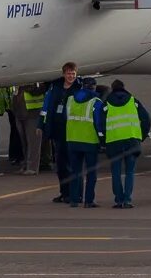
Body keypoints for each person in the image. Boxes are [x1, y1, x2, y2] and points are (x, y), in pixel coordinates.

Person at [103, 80, 151, 208]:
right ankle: (128, 200)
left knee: (116, 173)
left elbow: (100, 123)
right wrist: (141, 136)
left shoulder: (106, 103)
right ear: (124, 88)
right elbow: (147, 119)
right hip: (131, 141)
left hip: (113, 142)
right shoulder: (133, 101)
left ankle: (118, 200)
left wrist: (103, 141)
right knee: (130, 172)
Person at [40, 62, 81, 202]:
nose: (71, 76)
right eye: (69, 74)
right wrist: (41, 125)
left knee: (73, 164)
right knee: (61, 165)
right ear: (64, 74)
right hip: (58, 132)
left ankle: (75, 194)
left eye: (73, 74)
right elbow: (46, 107)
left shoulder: (79, 89)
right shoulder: (55, 88)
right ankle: (64, 193)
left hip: (73, 132)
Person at [65, 77, 105, 208]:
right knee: (91, 172)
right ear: (94, 87)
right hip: (89, 142)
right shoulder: (96, 102)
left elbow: (67, 117)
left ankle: (74, 199)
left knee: (75, 172)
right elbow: (99, 123)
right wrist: (102, 141)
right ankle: (89, 200)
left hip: (72, 140)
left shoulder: (70, 99)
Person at [16, 82, 46, 176]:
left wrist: (26, 85)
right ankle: (26, 164)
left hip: (33, 111)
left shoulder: (34, 77)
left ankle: (32, 167)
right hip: (20, 111)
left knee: (33, 141)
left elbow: (39, 89)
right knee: (24, 141)